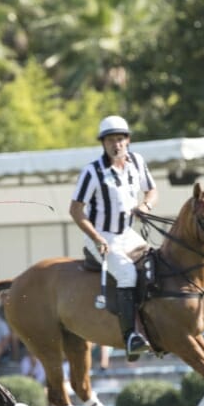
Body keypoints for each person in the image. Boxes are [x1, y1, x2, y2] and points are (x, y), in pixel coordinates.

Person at [69, 115, 158, 362]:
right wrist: (97, 238)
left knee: (154, 263)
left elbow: (152, 190)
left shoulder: (137, 162)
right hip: (101, 237)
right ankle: (130, 337)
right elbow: (76, 210)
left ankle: (151, 324)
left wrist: (146, 206)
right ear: (103, 144)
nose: (116, 144)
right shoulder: (92, 172)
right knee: (128, 273)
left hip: (128, 235)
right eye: (110, 140)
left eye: (120, 139)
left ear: (128, 140)